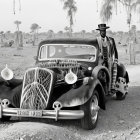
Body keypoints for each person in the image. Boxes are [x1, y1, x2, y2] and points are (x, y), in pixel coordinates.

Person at [96, 24, 118, 93]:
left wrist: (116, 59)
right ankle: (103, 91)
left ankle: (110, 89)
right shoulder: (96, 40)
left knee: (110, 74)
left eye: (104, 30)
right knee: (102, 76)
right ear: (99, 31)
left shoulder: (111, 40)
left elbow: (115, 50)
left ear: (106, 31)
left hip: (109, 60)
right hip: (100, 61)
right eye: (102, 31)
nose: (103, 32)